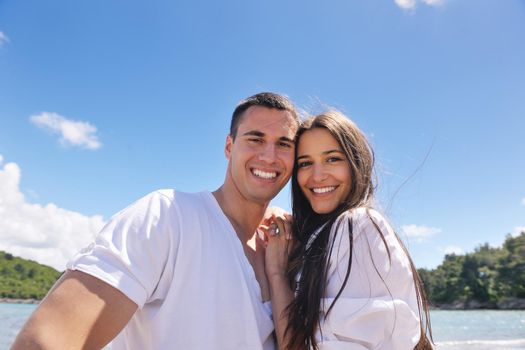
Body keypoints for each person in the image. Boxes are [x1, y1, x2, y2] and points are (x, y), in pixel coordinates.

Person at [11, 92, 300, 350]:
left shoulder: (287, 245)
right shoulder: (168, 216)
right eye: (255, 139)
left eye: (284, 144)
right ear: (229, 147)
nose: (269, 155)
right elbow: (42, 342)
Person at [263, 111, 433, 349]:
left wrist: (277, 274)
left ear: (356, 162)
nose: (318, 176)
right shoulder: (333, 233)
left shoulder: (357, 225)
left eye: (332, 159)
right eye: (305, 163)